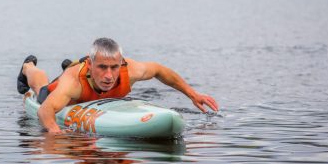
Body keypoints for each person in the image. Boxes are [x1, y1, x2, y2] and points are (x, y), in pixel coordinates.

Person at [17, 37, 219, 134]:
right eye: (102, 67)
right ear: (90, 64)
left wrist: (192, 94)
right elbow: (45, 111)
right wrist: (55, 133)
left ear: (121, 63)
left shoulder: (129, 69)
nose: (109, 76)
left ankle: (69, 64)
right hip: (69, 91)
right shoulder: (73, 83)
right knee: (42, 89)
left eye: (114, 67)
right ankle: (28, 67)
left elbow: (158, 70)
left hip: (90, 86)